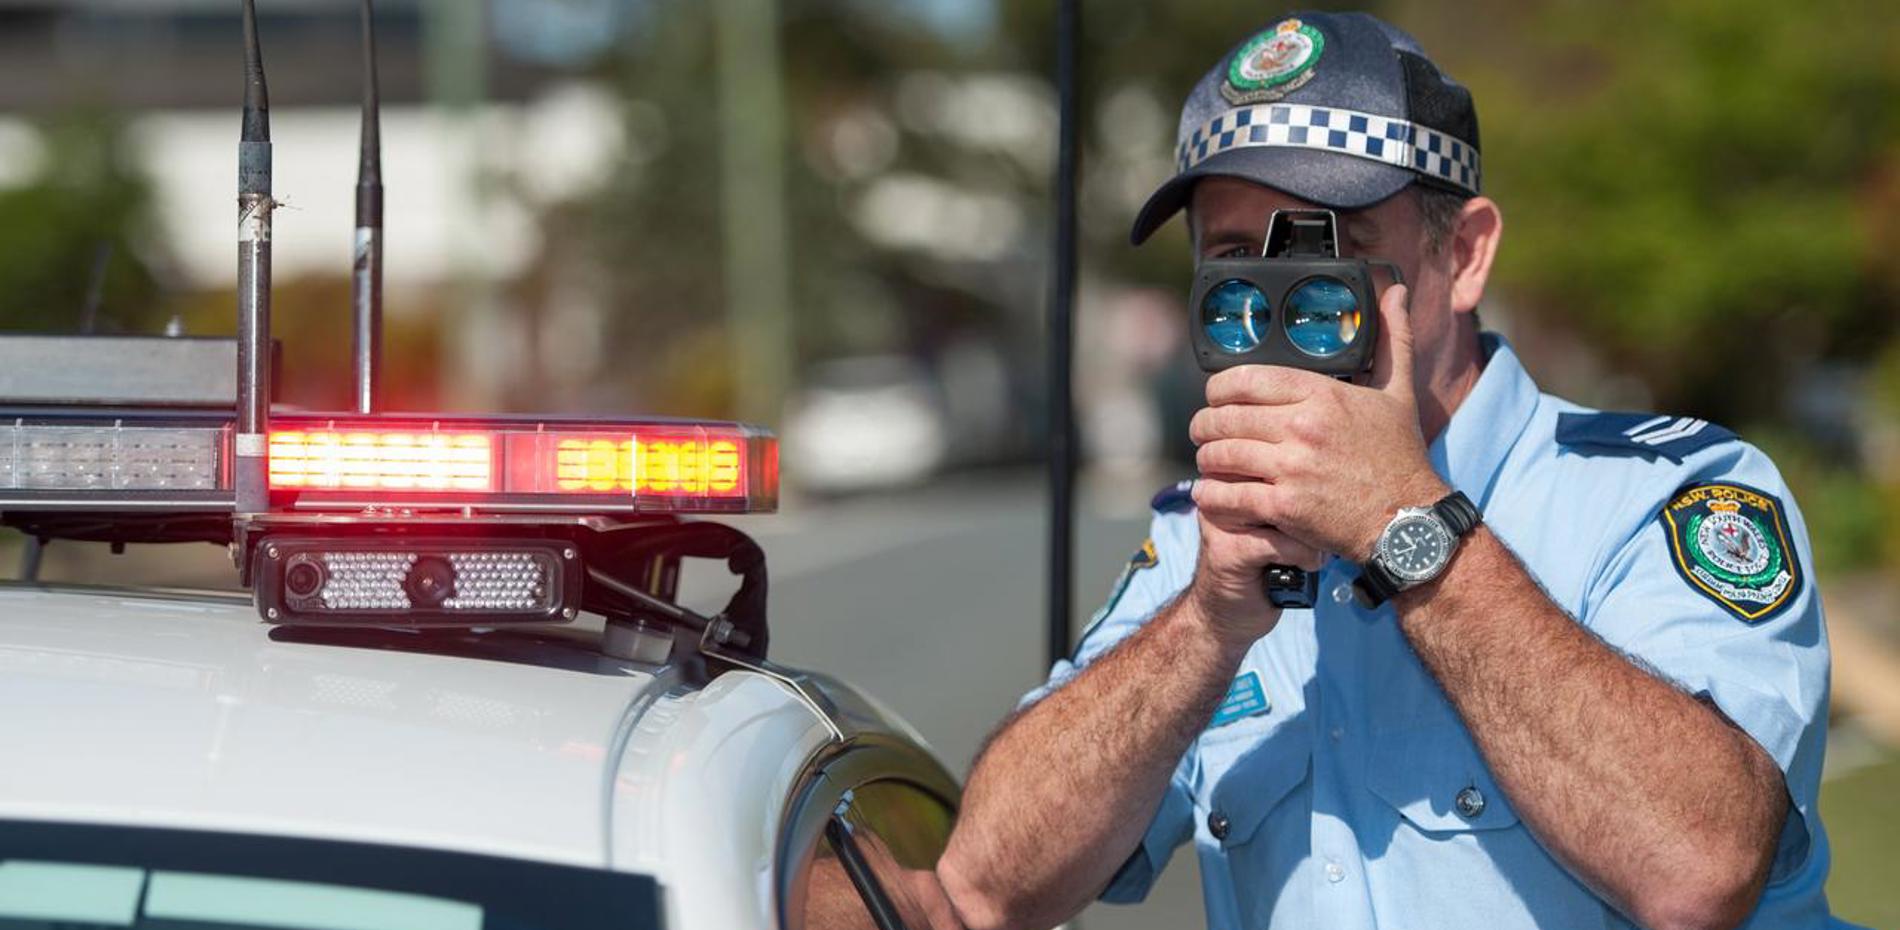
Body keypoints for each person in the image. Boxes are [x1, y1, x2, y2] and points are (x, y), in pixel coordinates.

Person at [935, 11, 1855, 930]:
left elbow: (1700, 869)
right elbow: (987, 888)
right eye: (1231, 259)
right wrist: (1206, 627)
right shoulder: (1201, 537)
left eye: (1328, 244)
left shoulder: (1662, 495)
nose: (1281, 299)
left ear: (1461, 255)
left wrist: (1404, 523)